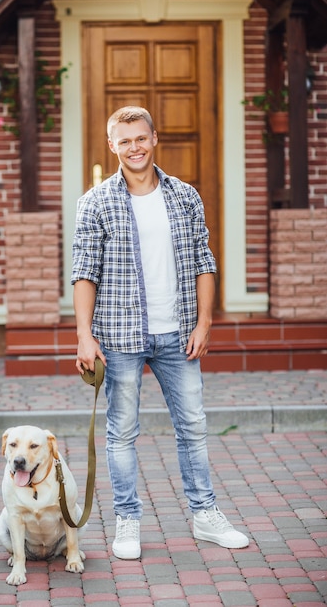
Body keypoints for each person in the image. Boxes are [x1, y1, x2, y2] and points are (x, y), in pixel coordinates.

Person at [71, 106, 249, 559]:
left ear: (155, 138)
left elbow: (203, 261)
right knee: (121, 432)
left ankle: (205, 514)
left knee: (193, 426)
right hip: (119, 336)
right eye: (124, 140)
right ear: (112, 146)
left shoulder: (184, 196)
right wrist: (84, 335)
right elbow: (84, 273)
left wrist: (205, 321)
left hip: (178, 336)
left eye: (141, 138)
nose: (134, 147)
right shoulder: (95, 202)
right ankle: (127, 522)